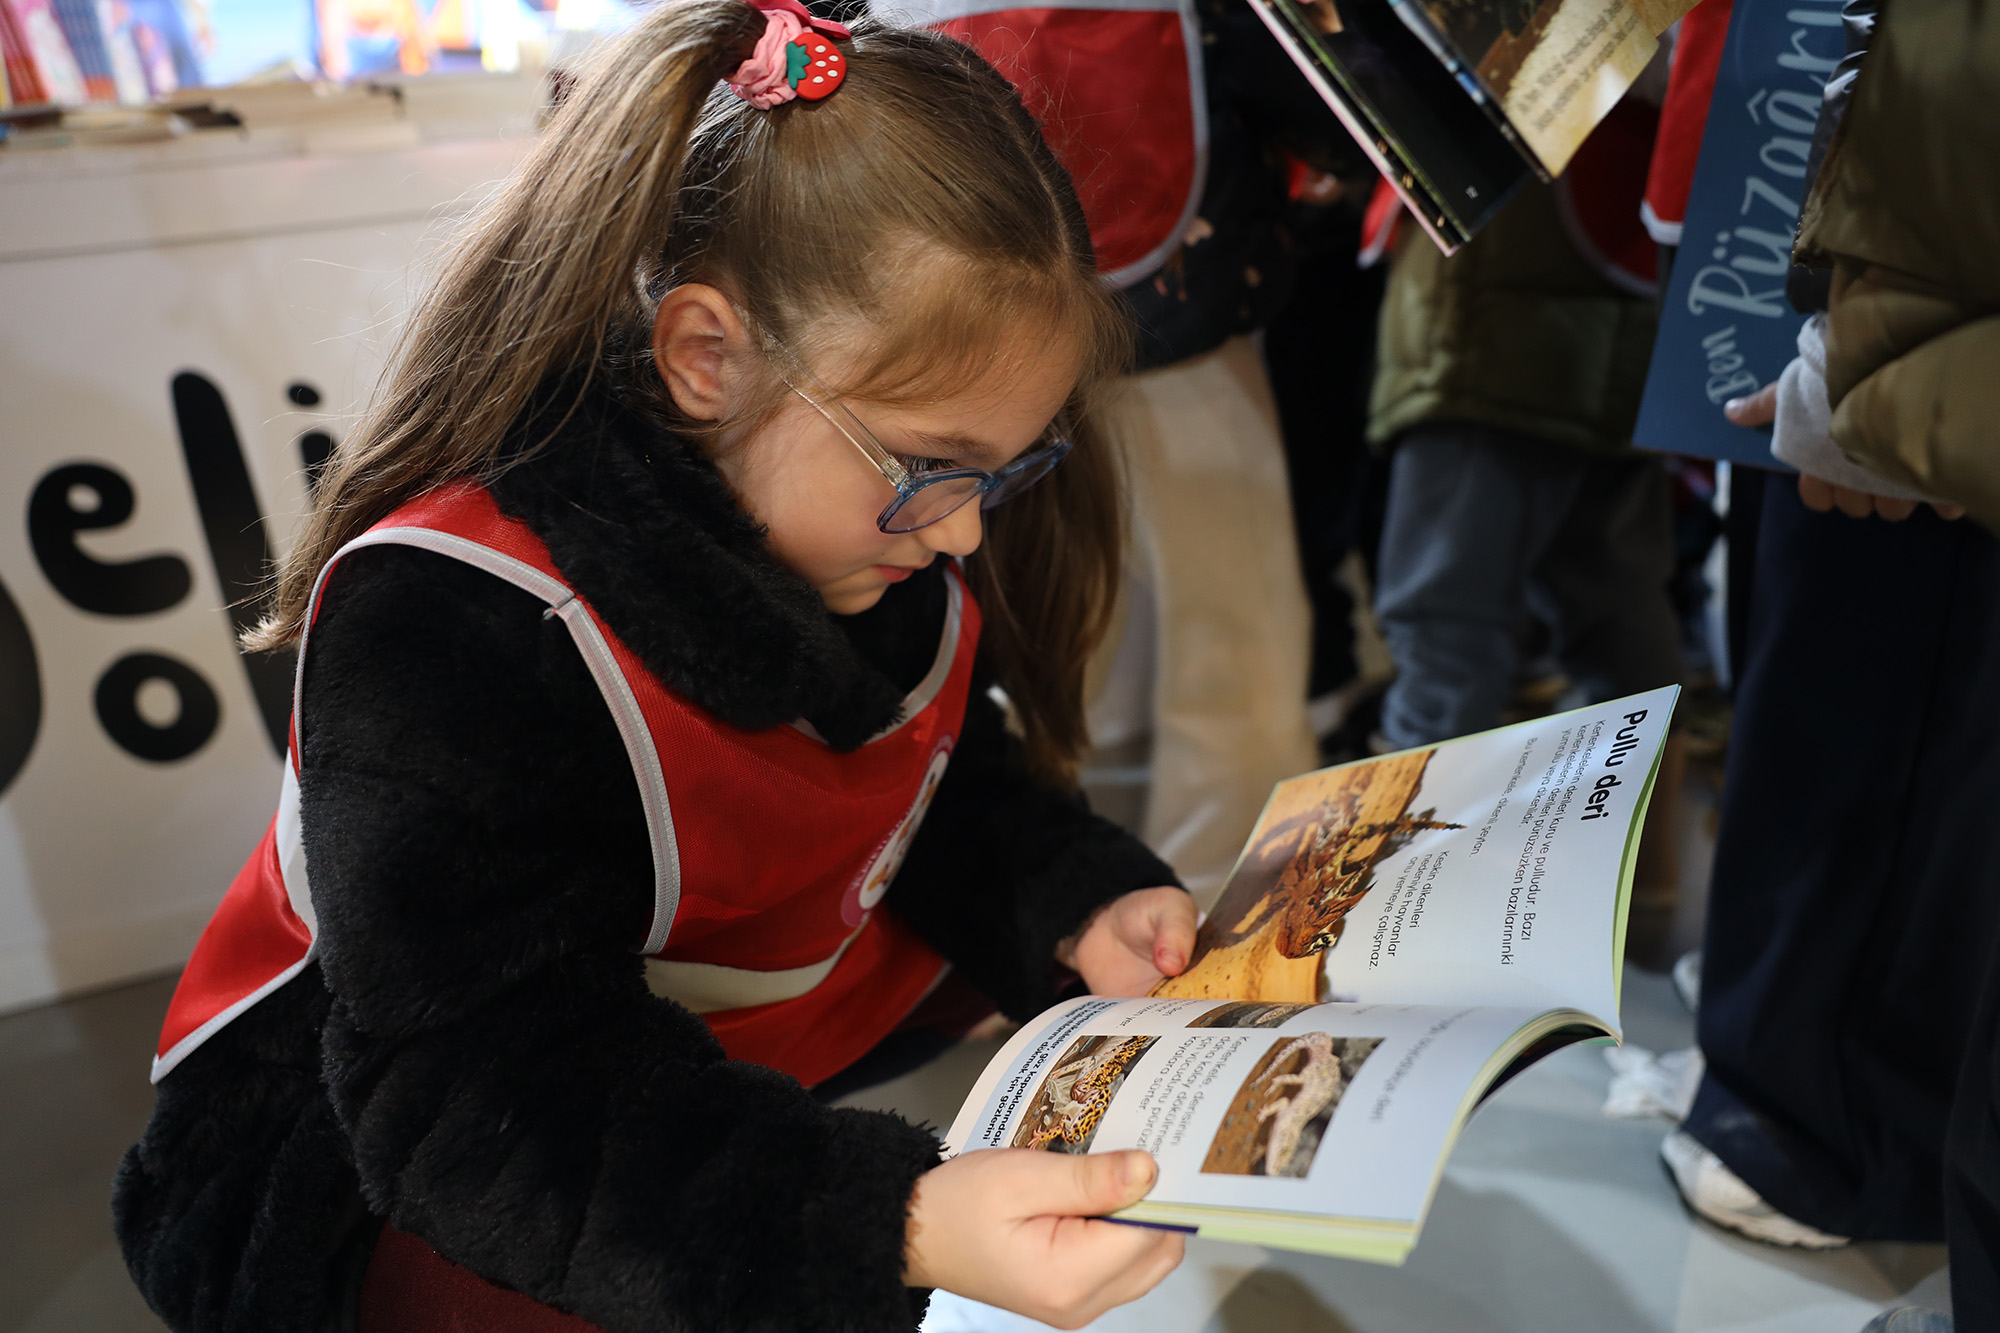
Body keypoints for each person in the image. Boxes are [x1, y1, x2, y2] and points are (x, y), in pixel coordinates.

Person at [112, 6, 1201, 1330]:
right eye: (929, 467)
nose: (967, 528)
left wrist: (1072, 898)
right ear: (706, 356)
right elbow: (478, 1104)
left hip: (636, 1045)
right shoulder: (451, 620)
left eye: (1002, 468)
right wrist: (884, 1219)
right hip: (357, 1168)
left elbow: (932, 773)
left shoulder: (856, 526)